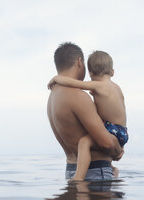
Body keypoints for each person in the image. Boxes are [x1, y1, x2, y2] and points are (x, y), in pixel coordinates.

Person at [47, 42, 123, 181]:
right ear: (79, 62)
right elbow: (107, 143)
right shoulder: (77, 95)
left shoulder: (52, 97)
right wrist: (118, 150)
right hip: (94, 171)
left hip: (71, 169)